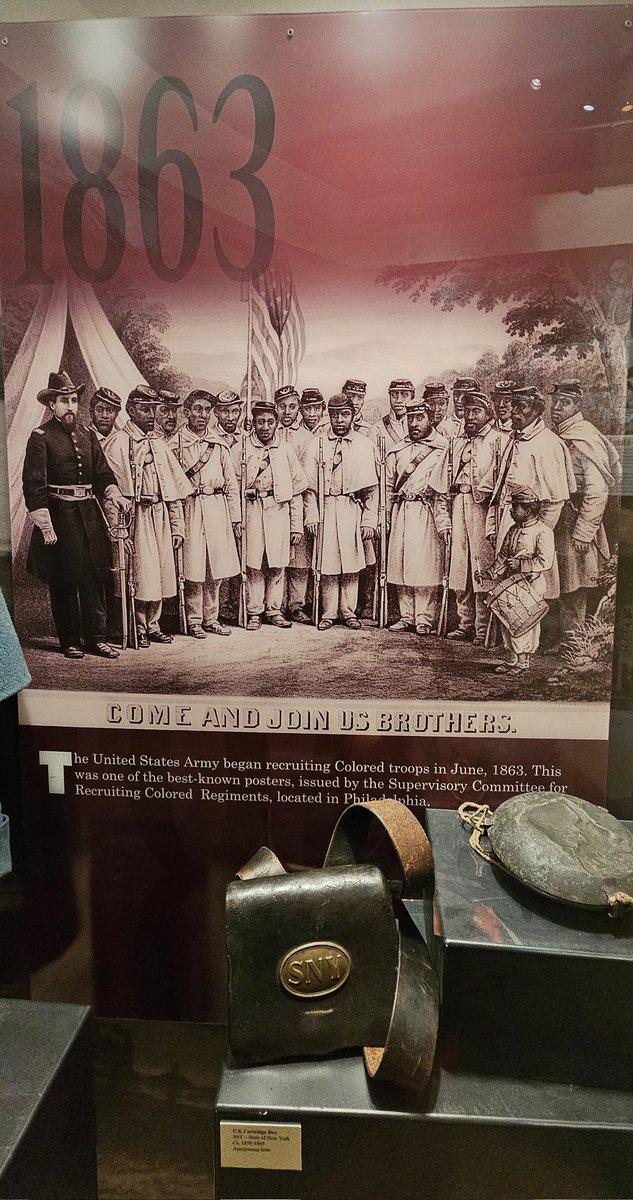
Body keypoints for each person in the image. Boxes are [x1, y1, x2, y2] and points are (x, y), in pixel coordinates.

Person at [22, 370, 129, 659]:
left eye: (73, 400)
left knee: (95, 577)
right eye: (63, 401)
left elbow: (102, 474)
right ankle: (69, 640)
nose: (70, 406)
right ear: (51, 405)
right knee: (65, 580)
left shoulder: (86, 435)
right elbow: (34, 486)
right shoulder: (41, 437)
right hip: (59, 517)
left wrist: (114, 494)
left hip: (89, 516)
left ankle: (96, 639)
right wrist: (45, 525)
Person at [103, 385, 192, 648]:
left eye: (154, 409)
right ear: (131, 410)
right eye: (145, 409)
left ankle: (154, 625)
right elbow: (109, 492)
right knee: (141, 573)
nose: (151, 415)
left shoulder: (159, 444)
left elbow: (173, 492)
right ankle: (136, 625)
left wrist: (178, 527)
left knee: (162, 571)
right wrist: (119, 531)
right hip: (135, 517)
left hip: (160, 515)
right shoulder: (117, 443)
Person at [484, 385, 575, 602]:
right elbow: (498, 491)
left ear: (536, 411)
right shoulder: (510, 440)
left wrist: (532, 539)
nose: (514, 412)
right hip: (508, 529)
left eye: (521, 407)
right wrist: (493, 526)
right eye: (511, 405)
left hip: (531, 539)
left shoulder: (548, 444)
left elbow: (554, 502)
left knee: (532, 597)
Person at [432, 392, 509, 644]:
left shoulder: (501, 441)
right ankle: (465, 624)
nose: (470, 417)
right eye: (467, 412)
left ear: (488, 414)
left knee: (483, 569)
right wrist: (443, 520)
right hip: (458, 509)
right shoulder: (455, 443)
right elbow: (441, 489)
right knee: (459, 570)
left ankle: (483, 627)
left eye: (476, 412)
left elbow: (502, 486)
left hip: (484, 512)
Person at [550, 380, 621, 639]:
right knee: (559, 581)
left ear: (578, 405)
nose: (557, 407)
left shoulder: (585, 438)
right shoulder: (558, 433)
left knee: (574, 584)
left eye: (565, 403)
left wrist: (583, 532)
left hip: (576, 520)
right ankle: (558, 640)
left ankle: (574, 643)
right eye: (555, 401)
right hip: (558, 520)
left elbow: (597, 490)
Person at [169, 389, 241, 638]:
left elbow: (231, 484)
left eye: (207, 410)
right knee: (193, 567)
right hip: (191, 507)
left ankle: (212, 618)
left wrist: (235, 519)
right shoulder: (176, 444)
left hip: (217, 507)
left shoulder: (219, 445)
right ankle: (193, 620)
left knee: (215, 568)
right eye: (197, 409)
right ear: (187, 412)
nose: (203, 415)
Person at [304, 393, 378, 630]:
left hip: (351, 508)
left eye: (345, 414)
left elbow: (371, 491)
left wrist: (369, 521)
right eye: (334, 414)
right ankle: (328, 612)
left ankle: (348, 611)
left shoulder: (365, 445)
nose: (339, 420)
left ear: (353, 415)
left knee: (351, 563)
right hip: (326, 508)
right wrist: (312, 515)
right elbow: (308, 489)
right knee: (328, 564)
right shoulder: (317, 443)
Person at [241, 398, 307, 630]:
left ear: (277, 423)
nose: (265, 427)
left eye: (270, 422)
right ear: (253, 423)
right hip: (252, 510)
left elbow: (297, 491)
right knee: (254, 564)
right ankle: (254, 611)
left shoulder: (286, 450)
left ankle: (274, 610)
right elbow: (233, 485)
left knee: (277, 564)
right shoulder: (241, 448)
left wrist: (296, 525)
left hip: (279, 512)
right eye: (260, 422)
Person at [385, 396, 448, 635]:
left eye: (419, 418)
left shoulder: (443, 448)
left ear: (430, 419)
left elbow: (444, 488)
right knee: (401, 563)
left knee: (425, 565)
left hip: (427, 512)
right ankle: (406, 615)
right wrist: (387, 517)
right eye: (411, 418)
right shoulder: (398, 449)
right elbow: (389, 485)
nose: (414, 423)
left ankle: (425, 617)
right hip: (402, 511)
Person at [483, 487, 555, 675]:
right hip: (511, 585)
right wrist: (490, 573)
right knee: (507, 621)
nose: (511, 511)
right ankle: (511, 659)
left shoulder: (543, 532)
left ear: (528, 510)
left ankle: (523, 662)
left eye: (515, 507)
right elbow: (503, 556)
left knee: (524, 624)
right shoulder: (513, 529)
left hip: (531, 585)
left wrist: (521, 564)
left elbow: (544, 561)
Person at [274, 385, 313, 623]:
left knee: (299, 558)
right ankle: (275, 605)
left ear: (299, 408)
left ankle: (297, 605)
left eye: (292, 407)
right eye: (282, 407)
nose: (287, 412)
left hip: (298, 501)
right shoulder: (267, 431)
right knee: (276, 555)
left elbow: (307, 481)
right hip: (274, 504)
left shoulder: (308, 438)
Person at [369, 379, 413, 448]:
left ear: (412, 398)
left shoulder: (419, 427)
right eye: (394, 395)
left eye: (404, 395)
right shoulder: (377, 430)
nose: (398, 400)